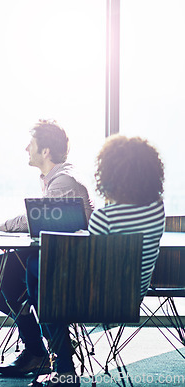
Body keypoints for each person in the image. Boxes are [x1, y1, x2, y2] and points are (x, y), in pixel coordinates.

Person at [27, 135, 165, 387]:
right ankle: (58, 360)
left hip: (99, 301)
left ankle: (62, 364)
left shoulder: (105, 217)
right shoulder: (157, 208)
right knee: (41, 275)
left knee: (37, 271)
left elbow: (89, 266)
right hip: (132, 298)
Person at [0, 119, 94, 377]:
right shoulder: (55, 178)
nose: (27, 149)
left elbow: (34, 217)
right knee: (0, 272)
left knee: (11, 272)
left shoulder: (64, 181)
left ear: (46, 151)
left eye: (32, 144)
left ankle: (43, 348)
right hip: (54, 262)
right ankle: (37, 350)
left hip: (68, 271)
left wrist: (1, 225)